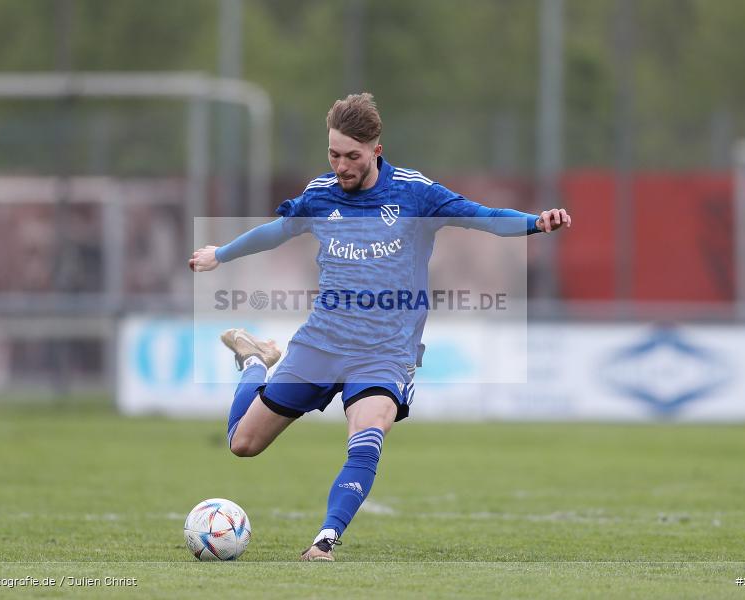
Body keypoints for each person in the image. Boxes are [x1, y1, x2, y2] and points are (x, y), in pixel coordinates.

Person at [190, 93, 571, 561]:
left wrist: (536, 222)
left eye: (352, 156)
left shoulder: (414, 193)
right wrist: (219, 254)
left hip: (384, 352)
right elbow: (276, 230)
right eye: (333, 155)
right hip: (321, 343)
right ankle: (254, 359)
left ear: (376, 150)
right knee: (242, 445)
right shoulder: (320, 192)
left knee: (367, 435)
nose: (341, 166)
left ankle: (324, 541)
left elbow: (484, 218)